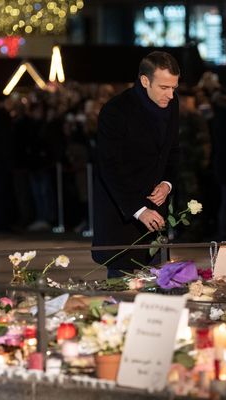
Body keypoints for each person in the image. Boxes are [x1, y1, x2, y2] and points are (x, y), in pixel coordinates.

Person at [91, 51, 180, 277]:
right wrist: (138, 210)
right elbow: (109, 168)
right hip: (122, 215)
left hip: (156, 215)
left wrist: (167, 184)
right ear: (144, 81)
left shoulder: (171, 104)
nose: (170, 94)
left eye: (174, 87)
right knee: (122, 292)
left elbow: (171, 151)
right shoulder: (115, 110)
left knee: (157, 286)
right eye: (164, 87)